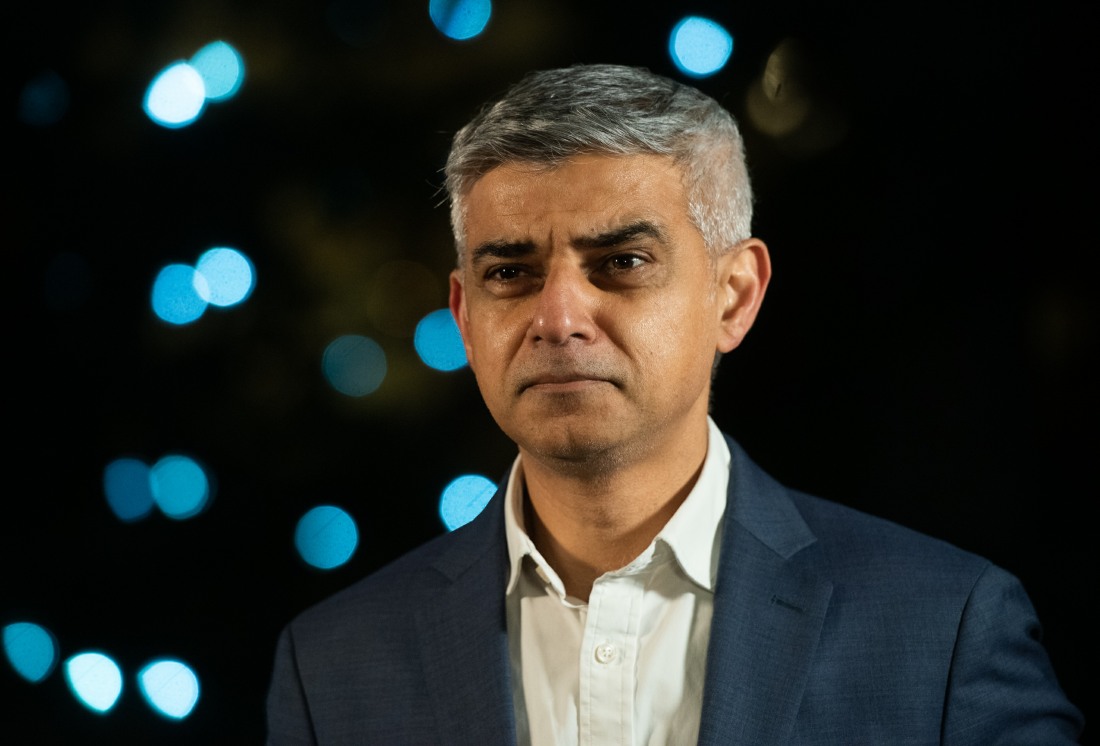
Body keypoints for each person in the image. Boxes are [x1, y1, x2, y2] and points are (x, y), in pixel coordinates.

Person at [265, 63, 1084, 745]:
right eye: (509, 272)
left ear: (735, 296)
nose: (556, 318)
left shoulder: (943, 629)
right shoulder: (331, 668)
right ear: (465, 319)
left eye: (620, 262)